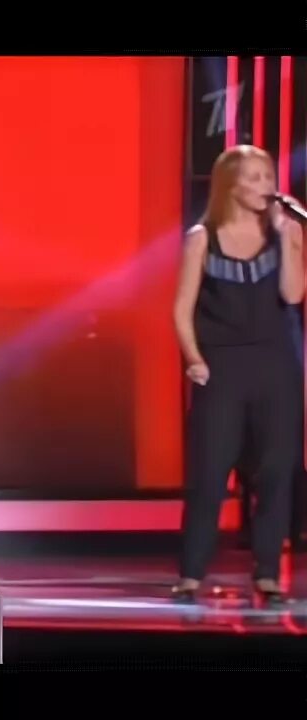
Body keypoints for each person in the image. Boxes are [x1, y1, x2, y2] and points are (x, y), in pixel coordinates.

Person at [172, 144, 304, 603]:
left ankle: (267, 572)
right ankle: (191, 573)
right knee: (210, 471)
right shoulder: (202, 238)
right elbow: (182, 308)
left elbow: (293, 295)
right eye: (253, 177)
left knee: (276, 468)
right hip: (221, 366)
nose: (264, 186)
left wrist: (291, 240)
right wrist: (194, 358)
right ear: (231, 185)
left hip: (275, 364)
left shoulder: (282, 234)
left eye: (267, 177)